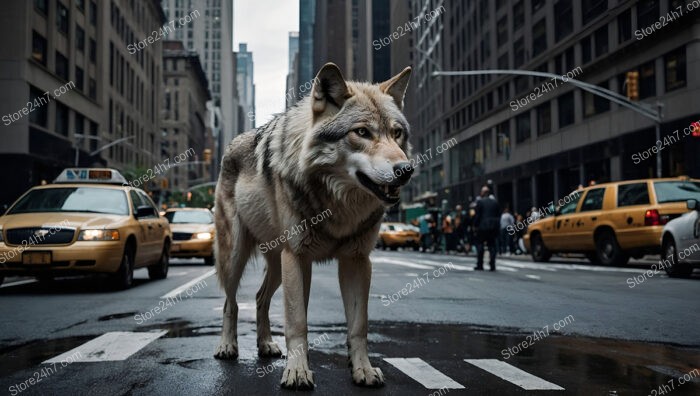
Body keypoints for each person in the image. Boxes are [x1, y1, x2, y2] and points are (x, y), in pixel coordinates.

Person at [473, 186, 501, 271]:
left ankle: (480, 264)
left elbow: (477, 215)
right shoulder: (495, 202)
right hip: (493, 227)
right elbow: (498, 215)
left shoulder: (480, 202)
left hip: (483, 226)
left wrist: (475, 225)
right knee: (492, 245)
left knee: (480, 245)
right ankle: (492, 265)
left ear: (483, 193)